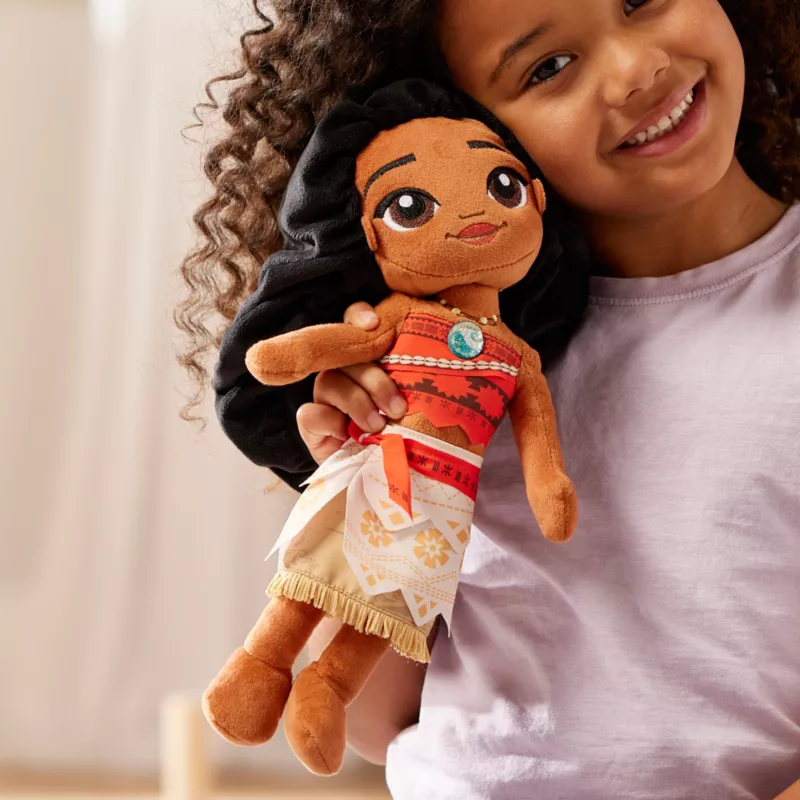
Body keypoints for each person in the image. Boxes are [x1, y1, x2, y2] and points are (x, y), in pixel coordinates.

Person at [176, 1, 800, 797]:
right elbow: (379, 723)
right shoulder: (466, 362)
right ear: (456, 124)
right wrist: (363, 478)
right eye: (549, 67)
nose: (635, 69)